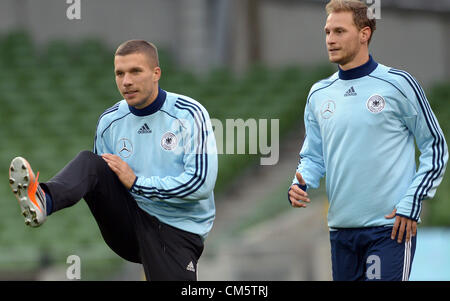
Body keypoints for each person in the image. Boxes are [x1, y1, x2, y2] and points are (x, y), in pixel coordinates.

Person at [8, 40, 218, 281]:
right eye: (119, 73)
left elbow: (200, 183)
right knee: (90, 162)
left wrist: (137, 183)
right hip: (129, 225)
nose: (126, 81)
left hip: (176, 230)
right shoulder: (109, 122)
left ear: (156, 73)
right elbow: (102, 185)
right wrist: (131, 188)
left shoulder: (189, 114)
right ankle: (44, 199)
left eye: (135, 71)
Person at [288, 0, 448, 281]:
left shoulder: (399, 85)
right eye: (327, 32)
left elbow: (435, 147)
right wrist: (300, 183)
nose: (330, 39)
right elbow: (313, 156)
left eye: (339, 31)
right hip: (341, 231)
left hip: (389, 229)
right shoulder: (318, 93)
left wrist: (413, 200)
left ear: (364, 34)